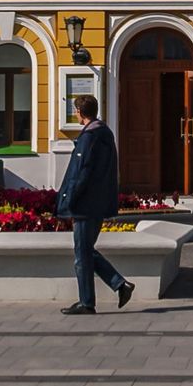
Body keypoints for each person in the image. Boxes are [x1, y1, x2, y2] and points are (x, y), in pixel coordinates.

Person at [55, 94, 133, 315]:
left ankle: (87, 302)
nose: (75, 114)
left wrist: (69, 200)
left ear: (80, 112)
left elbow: (81, 173)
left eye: (76, 110)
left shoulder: (89, 137)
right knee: (86, 250)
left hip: (85, 204)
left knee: (82, 254)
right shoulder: (104, 133)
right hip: (98, 201)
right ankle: (119, 285)